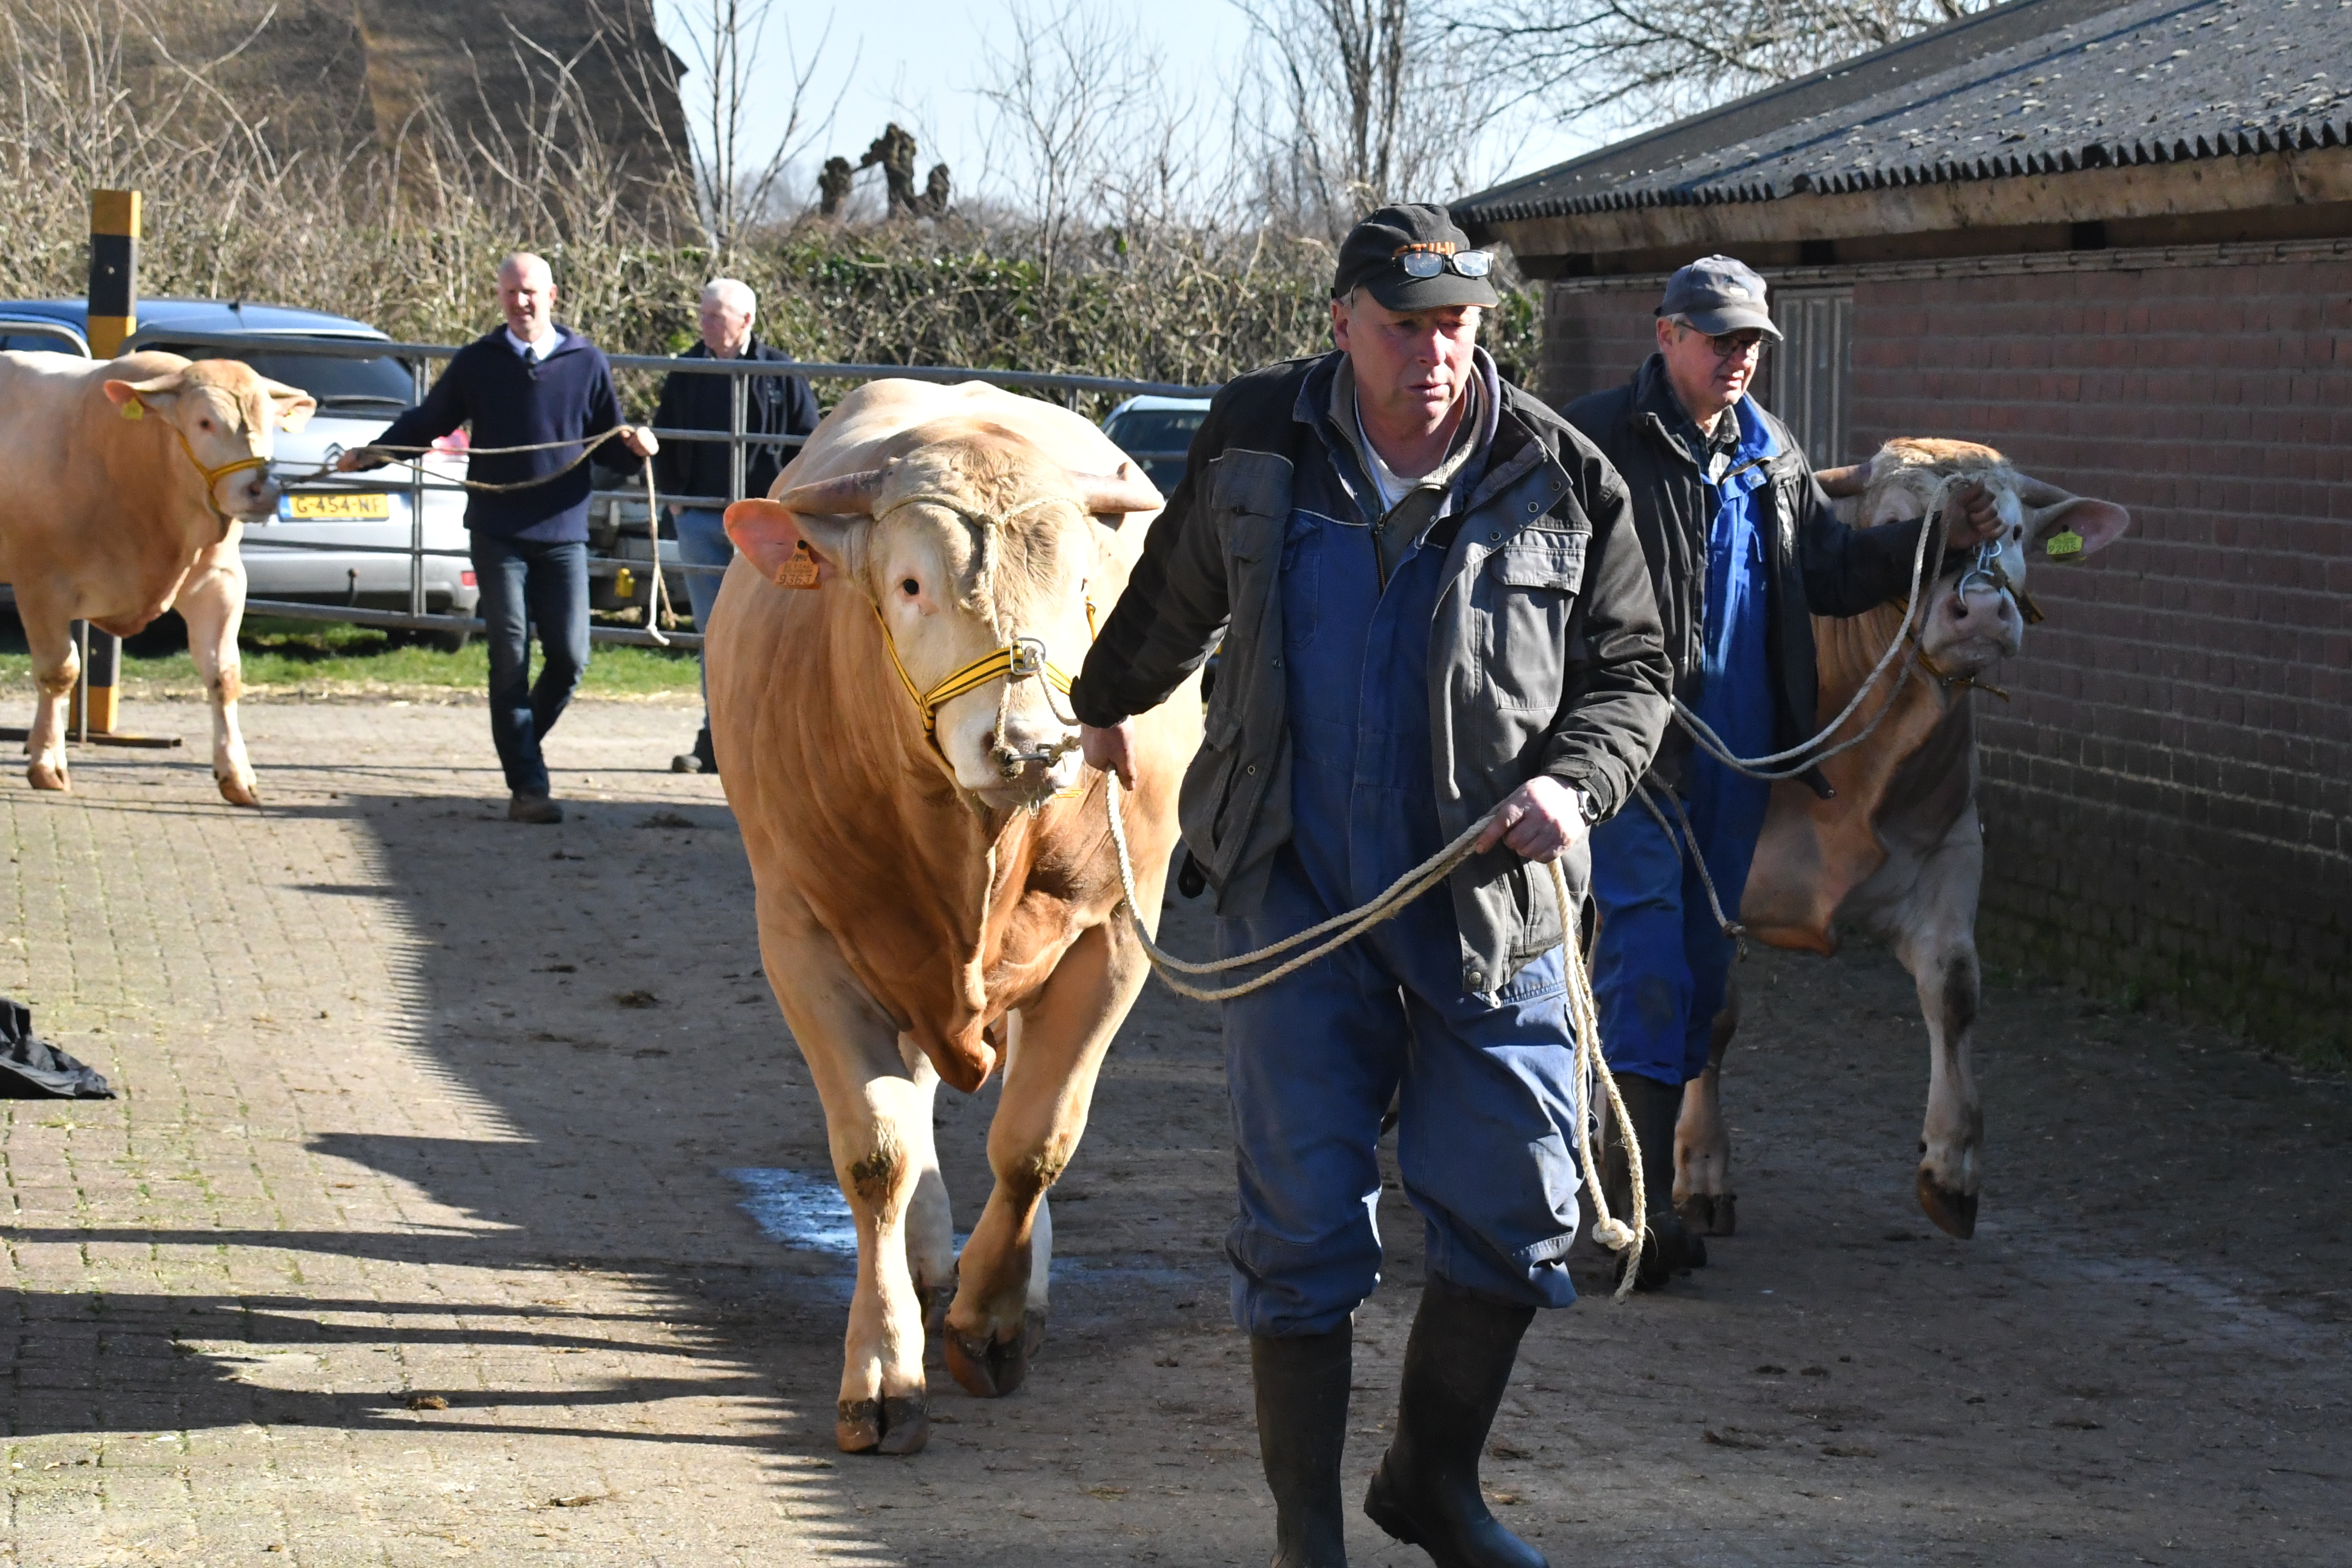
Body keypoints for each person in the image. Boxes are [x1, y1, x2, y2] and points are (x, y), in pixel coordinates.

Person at [1070, 204, 1672, 1568]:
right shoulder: (1260, 439)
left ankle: (1430, 1484)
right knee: (1298, 1219)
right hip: (1294, 894)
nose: (1434, 352)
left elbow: (1635, 675)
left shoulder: (1561, 474)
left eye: (1455, 323)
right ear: (1341, 320)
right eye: (1404, 325)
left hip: (1488, 903)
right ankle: (1307, 1539)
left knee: (1522, 1200)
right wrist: (1104, 705)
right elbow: (1175, 598)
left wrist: (1573, 784)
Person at [1563, 256, 1999, 1286]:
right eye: (1719, 337)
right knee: (1649, 959)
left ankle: (1638, 1198)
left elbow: (1830, 575)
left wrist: (1930, 538)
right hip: (1635, 746)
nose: (1739, 357)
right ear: (1665, 334)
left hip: (1742, 757)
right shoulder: (1592, 445)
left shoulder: (1769, 456)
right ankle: (1622, 1213)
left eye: (1752, 341)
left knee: (1706, 972)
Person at [340, 253, 656, 824]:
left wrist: (635, 446)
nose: (521, 302)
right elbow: (427, 421)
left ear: (553, 295)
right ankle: (528, 787)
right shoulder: (478, 362)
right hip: (498, 532)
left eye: (530, 292)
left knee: (570, 656)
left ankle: (522, 744)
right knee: (510, 653)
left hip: (563, 530)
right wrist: (372, 456)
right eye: (511, 293)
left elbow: (606, 437)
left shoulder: (586, 361)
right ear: (500, 297)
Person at [651, 278, 820, 775]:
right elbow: (665, 435)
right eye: (703, 316)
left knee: (776, 632)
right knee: (715, 634)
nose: (705, 326)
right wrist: (678, 502)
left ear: (746, 320)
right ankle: (716, 740)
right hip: (702, 521)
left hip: (768, 529)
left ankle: (777, 743)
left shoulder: (781, 373)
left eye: (716, 317)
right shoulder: (687, 371)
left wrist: (788, 510)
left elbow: (806, 443)